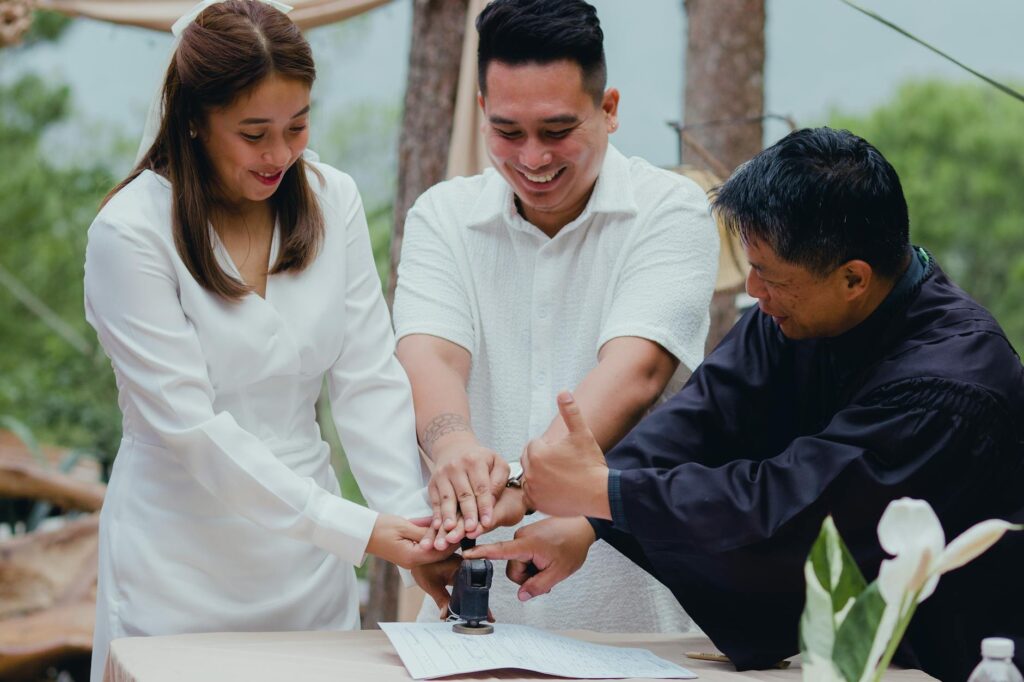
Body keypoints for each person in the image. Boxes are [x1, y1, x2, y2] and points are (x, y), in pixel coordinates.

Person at [465, 127, 1024, 681]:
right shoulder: (788, 321)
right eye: (751, 265)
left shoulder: (952, 385)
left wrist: (605, 493)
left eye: (772, 276)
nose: (754, 290)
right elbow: (697, 423)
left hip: (963, 660)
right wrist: (575, 511)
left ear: (854, 277)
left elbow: (791, 509)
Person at [84, 2, 448, 679]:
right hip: (176, 562)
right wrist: (357, 528)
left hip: (307, 571)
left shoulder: (331, 199)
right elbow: (190, 428)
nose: (280, 154)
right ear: (194, 119)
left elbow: (367, 379)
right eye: (254, 133)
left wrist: (415, 527)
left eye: (298, 125)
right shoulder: (129, 234)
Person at [394, 0, 718, 630]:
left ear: (610, 109)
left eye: (557, 130)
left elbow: (636, 372)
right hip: (473, 613)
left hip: (637, 615)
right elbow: (429, 355)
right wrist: (454, 445)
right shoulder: (442, 215)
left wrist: (515, 483)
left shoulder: (671, 210)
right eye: (508, 132)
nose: (534, 159)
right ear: (482, 111)